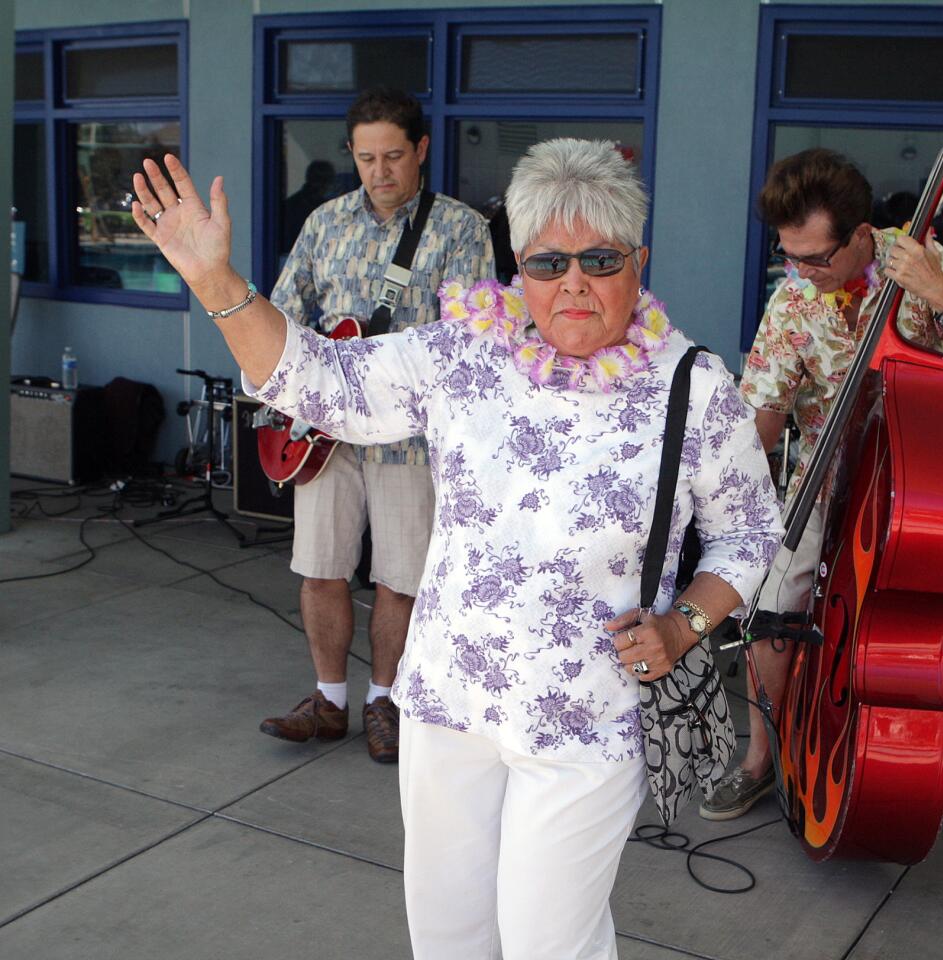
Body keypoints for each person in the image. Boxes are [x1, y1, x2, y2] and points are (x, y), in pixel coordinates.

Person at [130, 138, 782, 958]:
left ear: (638, 261)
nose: (572, 282)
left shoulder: (693, 387)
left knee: (550, 941)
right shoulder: (460, 355)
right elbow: (316, 379)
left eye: (599, 258)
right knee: (447, 935)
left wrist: (686, 625)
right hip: (447, 706)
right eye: (547, 262)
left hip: (585, 722)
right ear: (518, 266)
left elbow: (750, 529)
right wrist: (214, 283)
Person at [701, 147, 943, 821]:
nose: (804, 273)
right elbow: (760, 422)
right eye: (791, 257)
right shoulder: (792, 297)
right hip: (823, 479)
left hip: (914, 490)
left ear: (859, 235)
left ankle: (874, 754)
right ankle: (764, 755)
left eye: (817, 258)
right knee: (768, 608)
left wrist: (940, 295)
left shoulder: (919, 260)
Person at [262, 87, 495, 764]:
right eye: (366, 158)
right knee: (320, 569)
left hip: (411, 442)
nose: (380, 171)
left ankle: (384, 698)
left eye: (393, 155)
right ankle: (329, 699)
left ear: (421, 150)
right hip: (326, 437)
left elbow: (474, 341)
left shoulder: (459, 230)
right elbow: (283, 320)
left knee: (401, 577)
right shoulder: (324, 224)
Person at [280, 159, 337, 253]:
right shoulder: (290, 208)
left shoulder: (330, 208)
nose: (324, 185)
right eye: (319, 179)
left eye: (327, 181)